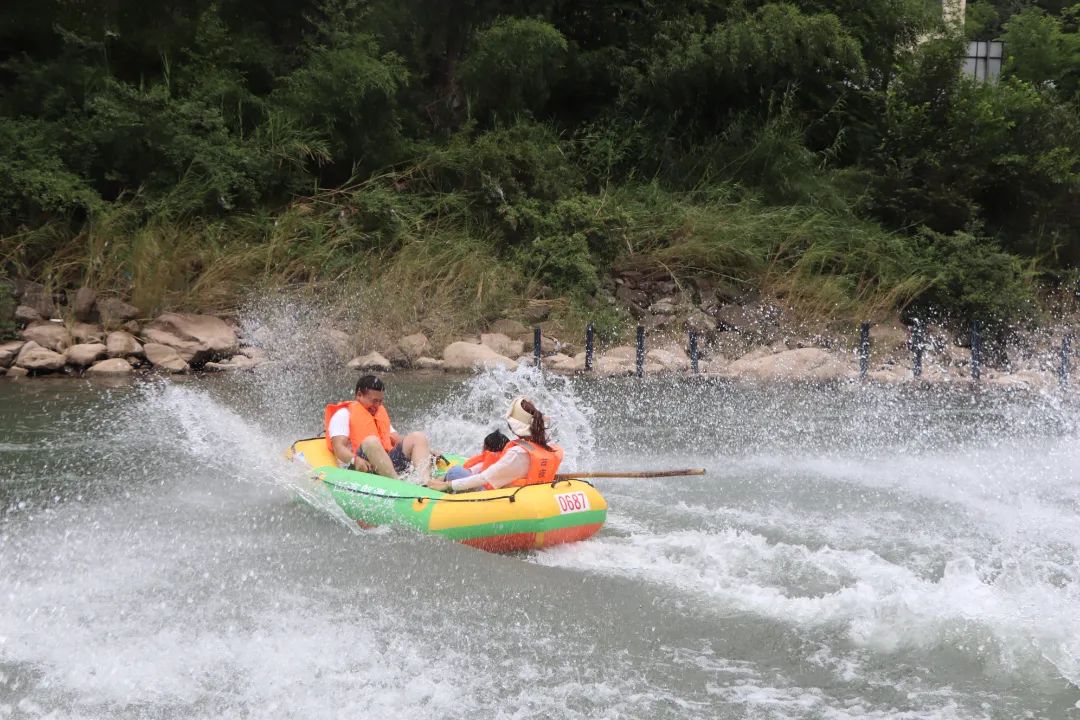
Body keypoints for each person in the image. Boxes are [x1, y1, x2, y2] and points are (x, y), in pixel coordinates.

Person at [426, 397, 563, 493]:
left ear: (513, 427)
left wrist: (447, 485)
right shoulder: (550, 448)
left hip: (499, 496)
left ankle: (431, 483)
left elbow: (484, 478)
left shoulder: (517, 453)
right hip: (529, 494)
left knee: (456, 472)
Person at [325, 374, 434, 484]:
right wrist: (355, 460)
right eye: (374, 401)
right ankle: (398, 484)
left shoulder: (378, 414)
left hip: (386, 463)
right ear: (359, 395)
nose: (377, 405)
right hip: (363, 465)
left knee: (418, 437)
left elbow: (398, 439)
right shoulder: (343, 415)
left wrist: (424, 450)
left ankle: (426, 482)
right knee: (371, 441)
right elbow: (338, 448)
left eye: (380, 401)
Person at [444, 430, 510, 482]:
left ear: (486, 448)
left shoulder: (481, 465)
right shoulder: (508, 465)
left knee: (454, 471)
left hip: (470, 483)